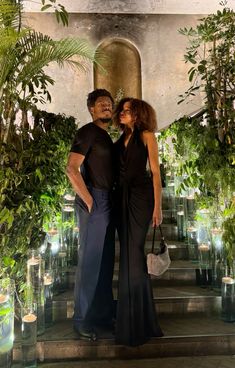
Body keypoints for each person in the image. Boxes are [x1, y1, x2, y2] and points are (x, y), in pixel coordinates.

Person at [112, 97, 163, 347]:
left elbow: (155, 173)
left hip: (141, 198)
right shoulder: (122, 138)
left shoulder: (147, 135)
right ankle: (134, 321)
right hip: (120, 197)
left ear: (138, 114)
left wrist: (158, 207)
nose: (122, 113)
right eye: (121, 110)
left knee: (134, 254)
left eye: (127, 111)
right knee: (128, 258)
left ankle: (137, 324)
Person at [66, 89, 116, 341]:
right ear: (91, 109)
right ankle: (81, 319)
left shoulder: (105, 136)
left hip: (107, 201)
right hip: (94, 200)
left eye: (109, 103)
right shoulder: (87, 132)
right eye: (101, 104)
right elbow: (72, 168)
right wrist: (89, 200)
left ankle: (102, 314)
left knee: (105, 263)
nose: (106, 106)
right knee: (89, 264)